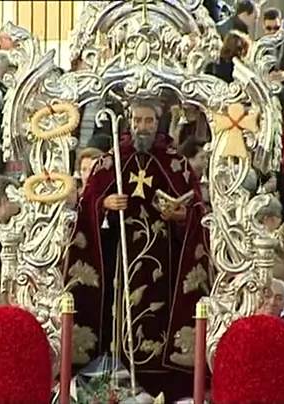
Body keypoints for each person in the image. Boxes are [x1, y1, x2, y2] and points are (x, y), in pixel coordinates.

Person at [63, 100, 209, 401]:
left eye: (149, 121)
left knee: (157, 317)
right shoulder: (109, 162)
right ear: (129, 121)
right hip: (120, 259)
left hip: (163, 265)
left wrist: (181, 215)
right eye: (138, 120)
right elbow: (86, 205)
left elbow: (197, 209)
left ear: (158, 123)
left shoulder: (175, 164)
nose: (143, 127)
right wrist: (104, 205)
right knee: (121, 315)